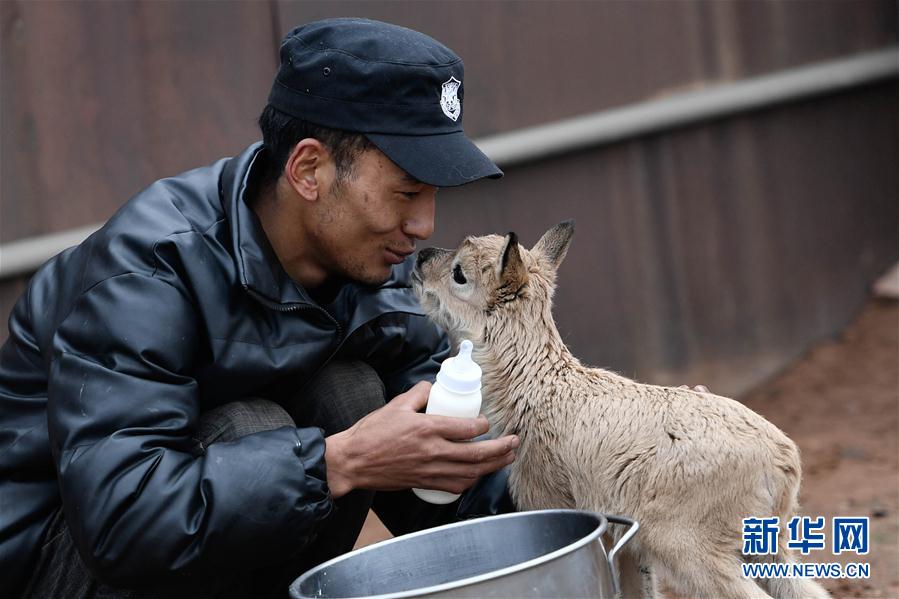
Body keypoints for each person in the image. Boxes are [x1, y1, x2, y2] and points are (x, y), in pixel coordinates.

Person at [0, 18, 519, 598]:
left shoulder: (372, 267)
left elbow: (450, 469)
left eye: (433, 195)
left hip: (173, 547)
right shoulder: (147, 271)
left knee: (352, 395)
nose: (424, 226)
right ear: (308, 170)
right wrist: (337, 463)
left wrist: (563, 517)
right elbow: (121, 523)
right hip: (50, 560)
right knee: (260, 429)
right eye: (405, 192)